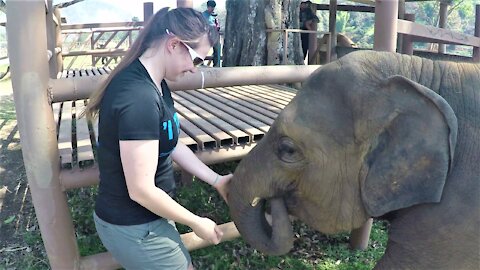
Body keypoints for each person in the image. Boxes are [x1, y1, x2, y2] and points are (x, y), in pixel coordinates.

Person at [83, 7, 231, 270]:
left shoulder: (157, 83)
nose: (195, 70)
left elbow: (170, 143)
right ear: (174, 44)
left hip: (151, 216)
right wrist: (196, 221)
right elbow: (140, 189)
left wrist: (217, 180)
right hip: (134, 224)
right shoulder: (139, 97)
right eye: (197, 60)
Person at [202, 0, 221, 67]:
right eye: (210, 7)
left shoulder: (215, 15)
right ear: (208, 7)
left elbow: (217, 25)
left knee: (217, 49)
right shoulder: (203, 15)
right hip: (206, 34)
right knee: (203, 49)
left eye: (213, 7)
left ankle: (217, 65)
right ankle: (201, 64)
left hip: (214, 34)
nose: (212, 9)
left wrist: (217, 27)